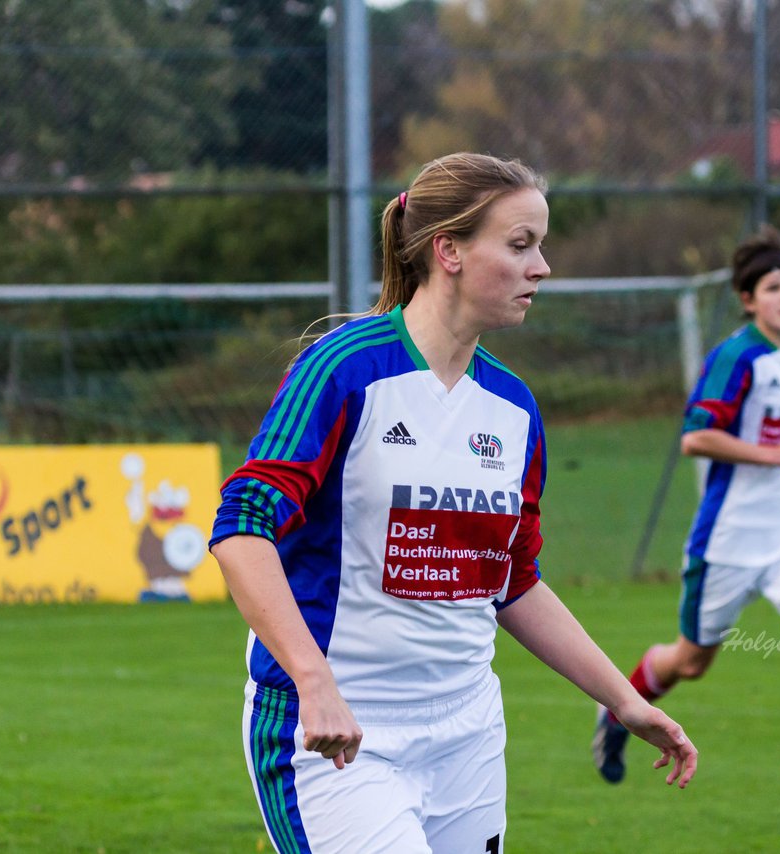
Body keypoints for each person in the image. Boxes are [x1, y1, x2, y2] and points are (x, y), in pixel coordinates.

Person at [212, 152, 698, 854]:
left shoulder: (513, 408)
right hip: (339, 732)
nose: (543, 267)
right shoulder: (343, 369)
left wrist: (621, 700)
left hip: (467, 734)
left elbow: (512, 581)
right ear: (450, 252)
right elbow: (242, 526)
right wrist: (313, 682)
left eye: (542, 246)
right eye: (521, 244)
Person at [590, 224, 780, 838]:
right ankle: (617, 706)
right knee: (692, 661)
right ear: (749, 299)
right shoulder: (736, 357)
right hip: (730, 538)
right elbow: (696, 437)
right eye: (774, 287)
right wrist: (777, 455)